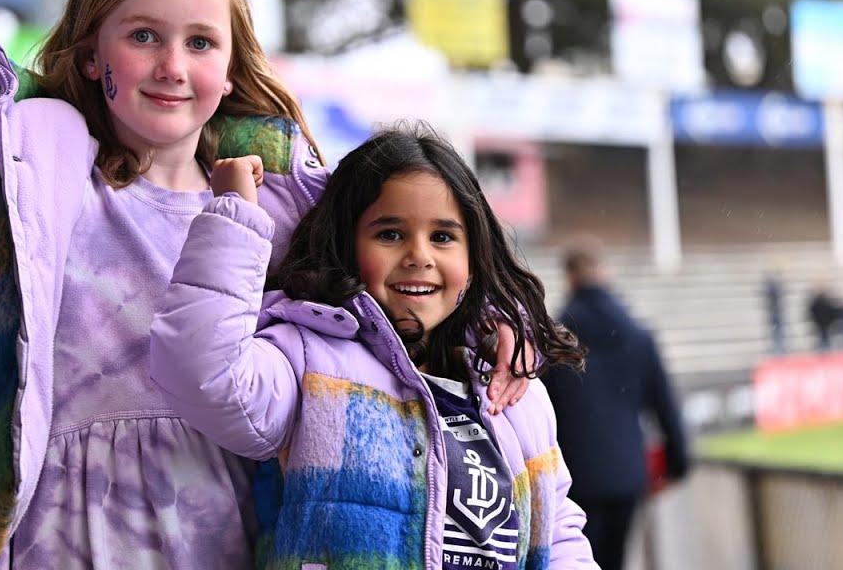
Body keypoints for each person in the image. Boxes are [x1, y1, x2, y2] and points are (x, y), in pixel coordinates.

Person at [0, 0, 533, 569]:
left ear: (231, 68)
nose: (172, 67)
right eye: (143, 36)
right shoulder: (28, 174)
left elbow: (399, 285)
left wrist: (488, 324)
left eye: (201, 42)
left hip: (234, 526)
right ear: (92, 56)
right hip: (67, 536)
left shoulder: (287, 208)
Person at [151, 125, 599, 569]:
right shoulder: (305, 359)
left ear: (474, 254)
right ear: (346, 244)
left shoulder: (516, 390)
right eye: (390, 234)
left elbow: (557, 530)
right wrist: (235, 216)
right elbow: (203, 375)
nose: (419, 256)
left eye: (443, 236)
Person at [539, 238, 689, 570]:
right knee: (616, 559)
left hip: (573, 475)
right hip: (627, 473)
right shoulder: (639, 335)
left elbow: (538, 412)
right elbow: (665, 405)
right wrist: (677, 463)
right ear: (604, 274)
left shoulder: (553, 340)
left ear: (569, 278)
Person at [807, 281, 843, 350]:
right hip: (823, 323)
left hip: (826, 322)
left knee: (824, 339)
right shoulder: (820, 301)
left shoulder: (825, 299)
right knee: (824, 339)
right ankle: (825, 350)